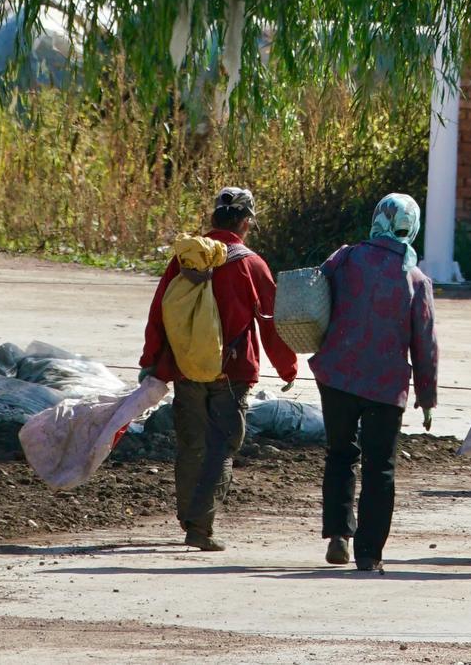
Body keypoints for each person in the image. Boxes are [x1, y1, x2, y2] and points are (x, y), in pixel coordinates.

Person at [139, 187, 298, 551]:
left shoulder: (186, 258)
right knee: (222, 447)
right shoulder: (251, 264)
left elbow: (159, 310)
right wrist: (287, 367)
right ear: (245, 222)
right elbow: (272, 323)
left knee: (191, 444)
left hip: (187, 368)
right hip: (233, 372)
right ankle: (200, 526)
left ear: (214, 218)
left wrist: (152, 359)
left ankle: (189, 517)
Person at [309, 193, 438, 572]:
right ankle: (369, 554)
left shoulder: (345, 257)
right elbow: (425, 344)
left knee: (340, 454)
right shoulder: (416, 278)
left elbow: (316, 296)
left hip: (337, 375)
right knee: (380, 467)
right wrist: (427, 397)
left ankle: (337, 535)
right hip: (385, 385)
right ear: (412, 226)